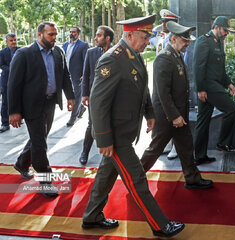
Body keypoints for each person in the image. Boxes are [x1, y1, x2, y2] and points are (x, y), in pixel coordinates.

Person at [81, 15, 185, 238]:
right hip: (115, 135)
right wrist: (104, 139)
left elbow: (141, 86)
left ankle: (91, 216)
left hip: (125, 131)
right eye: (145, 36)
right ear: (129, 35)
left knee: (105, 176)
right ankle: (160, 225)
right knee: (136, 178)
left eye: (148, 36)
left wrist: (149, 112)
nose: (148, 41)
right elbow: (98, 103)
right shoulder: (112, 59)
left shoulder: (133, 55)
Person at [140, 21, 213, 190]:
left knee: (186, 147)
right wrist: (174, 116)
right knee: (154, 150)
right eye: (185, 40)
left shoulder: (176, 55)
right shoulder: (164, 58)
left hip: (179, 114)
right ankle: (134, 178)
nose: (188, 43)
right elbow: (163, 93)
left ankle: (192, 178)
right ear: (174, 39)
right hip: (168, 116)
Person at [7, 22, 75, 198]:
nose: (54, 38)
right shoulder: (24, 54)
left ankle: (22, 163)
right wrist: (14, 111)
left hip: (50, 103)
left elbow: (65, 75)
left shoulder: (58, 51)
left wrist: (70, 96)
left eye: (55, 34)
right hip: (31, 106)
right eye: (50, 35)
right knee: (40, 144)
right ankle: (46, 182)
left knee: (39, 138)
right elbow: (13, 85)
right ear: (39, 35)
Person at [192, 16, 235, 166]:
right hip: (208, 87)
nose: (227, 33)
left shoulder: (219, 43)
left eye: (228, 31)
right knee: (231, 109)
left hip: (214, 85)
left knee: (203, 121)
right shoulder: (204, 41)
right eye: (225, 30)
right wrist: (200, 89)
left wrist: (229, 83)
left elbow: (220, 70)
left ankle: (200, 156)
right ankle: (223, 143)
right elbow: (198, 67)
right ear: (217, 27)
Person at [79, 25, 114, 165]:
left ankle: (110, 157)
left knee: (112, 124)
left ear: (107, 38)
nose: (95, 38)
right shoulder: (91, 52)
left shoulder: (116, 52)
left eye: (99, 35)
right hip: (95, 97)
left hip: (113, 97)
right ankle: (84, 152)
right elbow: (86, 74)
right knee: (92, 125)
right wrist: (84, 94)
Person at [153, 9, 180, 160]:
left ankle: (175, 147)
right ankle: (168, 144)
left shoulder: (177, 38)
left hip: (173, 80)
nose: (163, 24)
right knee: (162, 114)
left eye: (166, 22)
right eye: (162, 21)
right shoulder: (162, 36)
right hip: (160, 79)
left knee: (174, 112)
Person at [62, 26, 89, 127]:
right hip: (66, 76)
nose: (71, 34)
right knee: (69, 95)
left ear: (78, 34)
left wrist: (84, 74)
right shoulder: (65, 45)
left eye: (74, 32)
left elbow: (86, 61)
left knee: (77, 96)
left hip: (78, 75)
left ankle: (73, 118)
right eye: (70, 32)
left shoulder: (83, 45)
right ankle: (81, 108)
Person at [0, 33, 20, 133]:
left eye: (15, 40)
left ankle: (21, 117)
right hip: (6, 80)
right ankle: (4, 123)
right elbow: (2, 65)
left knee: (21, 100)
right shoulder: (2, 52)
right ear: (7, 42)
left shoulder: (22, 51)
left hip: (20, 80)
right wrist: (13, 70)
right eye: (11, 40)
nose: (14, 42)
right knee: (5, 102)